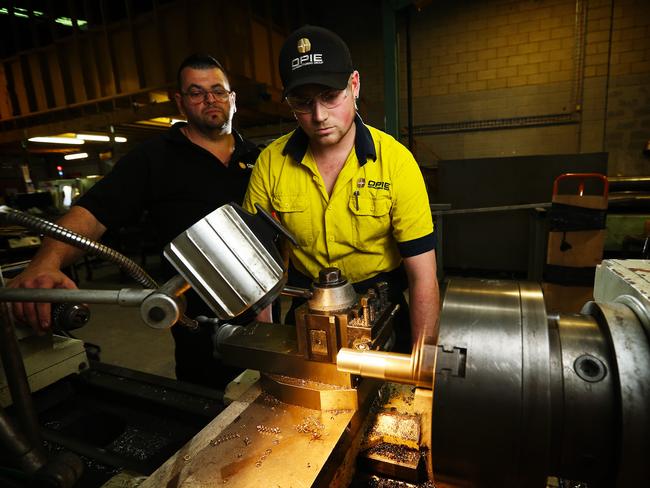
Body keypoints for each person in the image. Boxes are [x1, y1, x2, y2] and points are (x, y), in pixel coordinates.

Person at [8, 54, 260, 389]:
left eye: (218, 90)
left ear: (233, 98)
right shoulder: (154, 158)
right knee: (211, 407)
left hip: (265, 314)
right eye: (196, 92)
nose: (210, 99)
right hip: (196, 324)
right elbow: (92, 213)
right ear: (180, 102)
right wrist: (47, 262)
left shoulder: (259, 158)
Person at [243, 26, 440, 350]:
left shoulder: (396, 162)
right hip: (307, 311)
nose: (319, 116)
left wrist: (422, 363)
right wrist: (266, 349)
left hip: (383, 311)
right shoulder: (270, 163)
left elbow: (423, 277)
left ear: (355, 84)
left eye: (330, 97)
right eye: (302, 102)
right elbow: (254, 264)